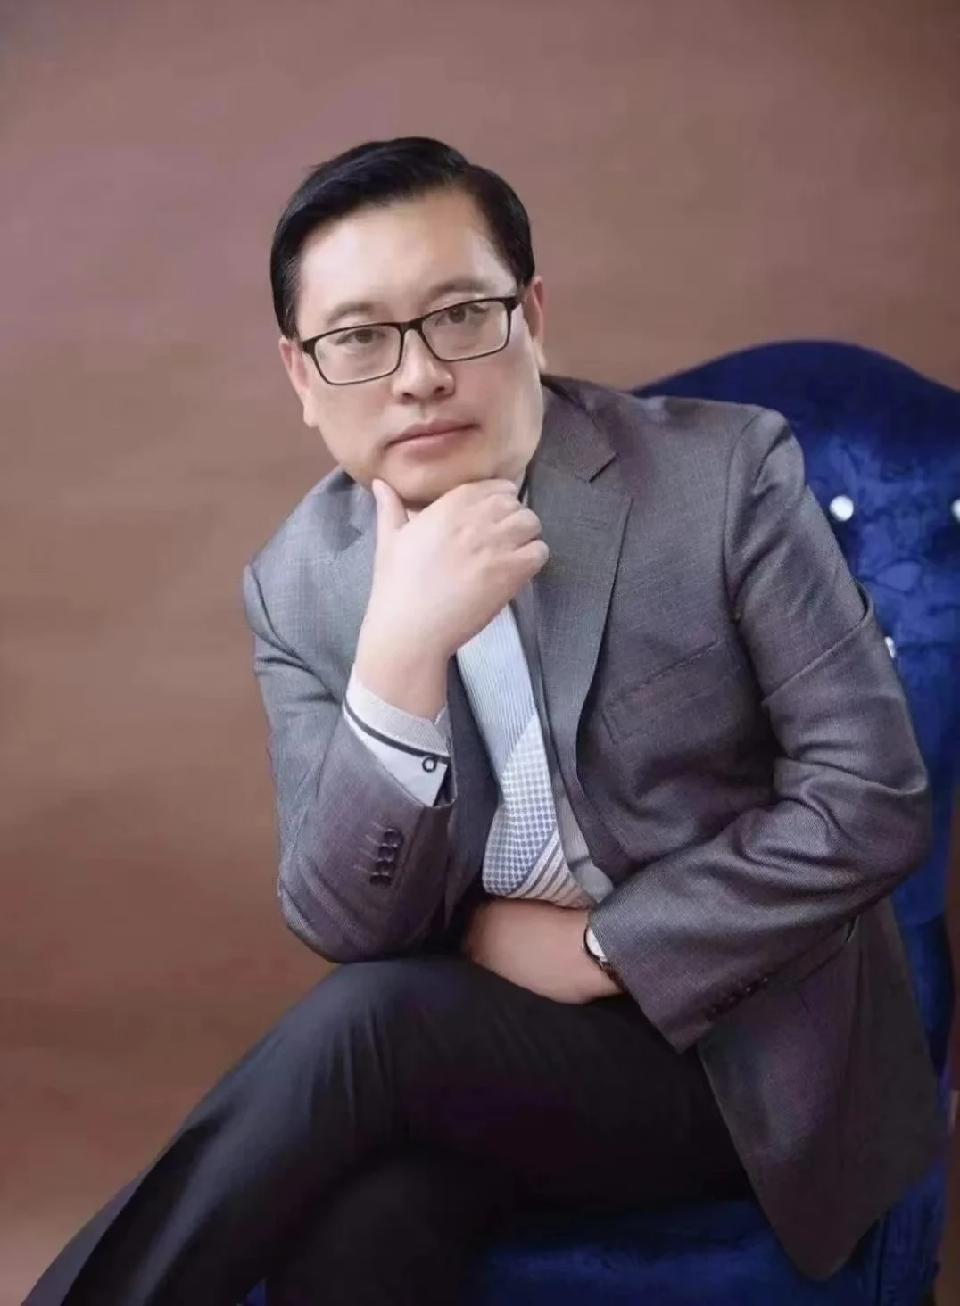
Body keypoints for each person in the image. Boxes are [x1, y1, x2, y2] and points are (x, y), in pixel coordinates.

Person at [25, 135, 945, 1306]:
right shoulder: (299, 583)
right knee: (364, 1216)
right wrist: (399, 657)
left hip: (745, 1058)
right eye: (359, 338)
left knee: (377, 1028)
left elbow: (871, 800)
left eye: (460, 315)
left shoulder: (721, 479)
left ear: (533, 317)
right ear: (302, 377)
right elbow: (347, 918)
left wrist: (608, 945)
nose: (417, 376)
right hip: (485, 1050)